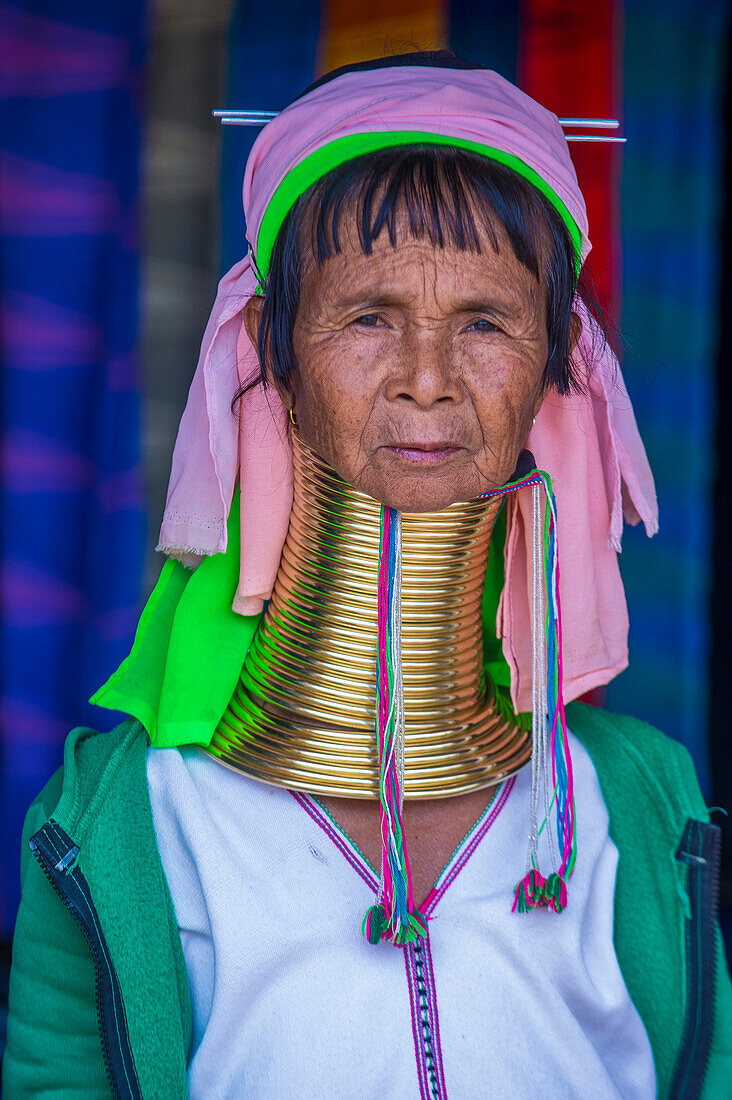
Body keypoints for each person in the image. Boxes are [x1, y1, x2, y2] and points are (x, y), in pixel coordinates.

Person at [4, 51, 732, 1099]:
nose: (427, 380)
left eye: (485, 321)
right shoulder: (122, 817)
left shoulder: (640, 801)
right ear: (272, 352)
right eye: (367, 315)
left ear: (554, 366)